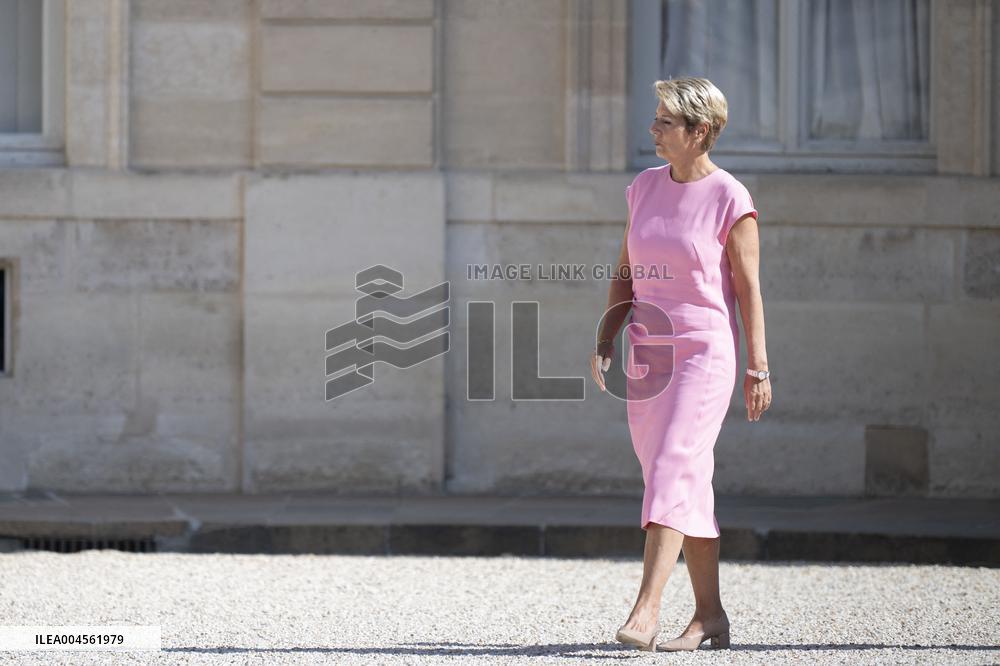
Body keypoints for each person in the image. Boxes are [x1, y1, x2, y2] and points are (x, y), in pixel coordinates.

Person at [589, 77, 772, 652]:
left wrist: (758, 367)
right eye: (657, 118)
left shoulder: (730, 198)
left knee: (672, 466)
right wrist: (607, 335)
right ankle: (710, 616)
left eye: (665, 121)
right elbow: (625, 271)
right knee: (682, 481)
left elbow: (748, 290)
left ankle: (646, 611)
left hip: (703, 354)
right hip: (648, 355)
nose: (653, 129)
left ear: (700, 131)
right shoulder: (644, 187)